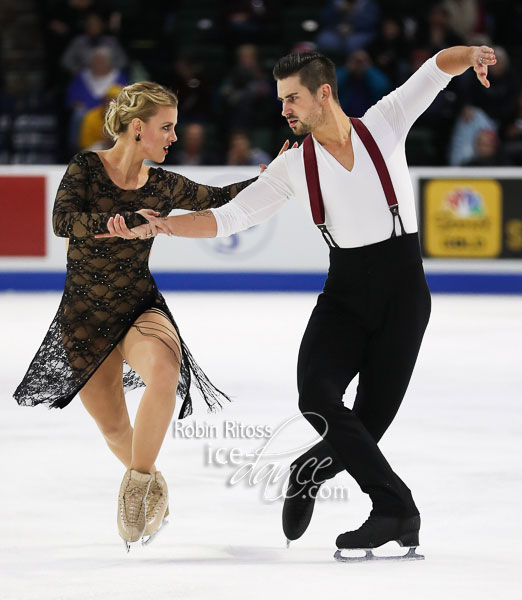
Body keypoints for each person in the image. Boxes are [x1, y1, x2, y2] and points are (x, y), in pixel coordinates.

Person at [101, 46, 496, 559]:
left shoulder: (384, 123)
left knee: (368, 423)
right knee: (316, 397)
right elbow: (232, 217)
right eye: (281, 99)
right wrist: (165, 225)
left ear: (323, 93)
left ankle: (309, 470)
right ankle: (396, 508)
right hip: (345, 296)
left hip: (404, 294)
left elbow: (436, 68)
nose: (284, 108)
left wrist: (475, 54)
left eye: (293, 98)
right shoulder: (294, 166)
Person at [13, 81, 258, 551]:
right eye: (166, 128)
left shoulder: (164, 185)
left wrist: (275, 177)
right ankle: (156, 487)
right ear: (138, 127)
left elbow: (220, 197)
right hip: (83, 312)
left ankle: (137, 488)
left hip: (138, 303)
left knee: (165, 373)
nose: (173, 137)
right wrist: (112, 226)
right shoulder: (86, 167)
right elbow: (61, 222)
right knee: (113, 427)